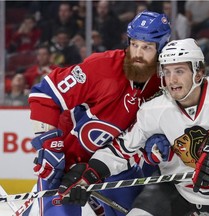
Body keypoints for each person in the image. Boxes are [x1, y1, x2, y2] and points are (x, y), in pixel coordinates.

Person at [59, 38, 209, 216]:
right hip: (175, 190)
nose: (172, 80)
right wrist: (90, 173)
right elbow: (121, 150)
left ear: (199, 72)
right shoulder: (154, 109)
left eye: (179, 71)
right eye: (166, 72)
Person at [28, 11, 171, 216]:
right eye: (134, 44)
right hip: (69, 162)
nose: (138, 53)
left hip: (116, 164)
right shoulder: (102, 68)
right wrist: (50, 146)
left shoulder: (165, 82)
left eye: (147, 47)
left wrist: (154, 141)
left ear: (162, 48)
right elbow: (44, 94)